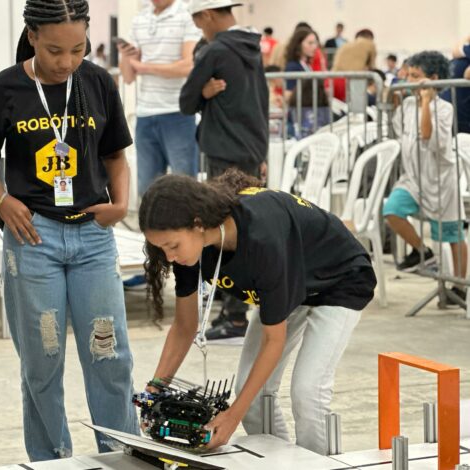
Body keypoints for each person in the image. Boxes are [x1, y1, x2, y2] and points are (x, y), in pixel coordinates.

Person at [0, 0, 138, 461]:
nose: (67, 63)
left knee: (109, 356)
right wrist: (3, 200)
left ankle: (122, 455)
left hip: (93, 238)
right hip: (32, 239)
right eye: (54, 51)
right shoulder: (5, 88)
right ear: (31, 36)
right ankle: (52, 460)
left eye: (78, 49)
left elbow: (116, 156)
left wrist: (120, 204)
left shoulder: (97, 82)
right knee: (42, 362)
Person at [139, 171, 376, 454]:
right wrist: (155, 390)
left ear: (197, 223)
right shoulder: (190, 251)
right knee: (251, 398)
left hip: (340, 279)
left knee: (307, 392)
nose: (169, 257)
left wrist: (231, 418)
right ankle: (280, 462)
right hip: (289, 283)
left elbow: (273, 341)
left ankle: (317, 464)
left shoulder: (261, 237)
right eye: (161, 249)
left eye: (172, 246)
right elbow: (184, 326)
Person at [180, 0, 269, 340]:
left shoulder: (215, 51)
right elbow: (260, 102)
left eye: (197, 21)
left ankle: (234, 317)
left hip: (222, 153)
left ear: (208, 15)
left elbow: (186, 102)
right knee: (245, 228)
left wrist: (202, 93)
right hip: (250, 150)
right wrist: (261, 152)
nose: (198, 28)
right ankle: (237, 308)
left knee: (224, 230)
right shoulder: (253, 47)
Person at [118, 0, 201, 288]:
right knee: (148, 195)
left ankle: (196, 271)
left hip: (178, 113)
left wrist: (143, 65)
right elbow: (128, 76)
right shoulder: (140, 19)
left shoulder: (185, 15)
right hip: (145, 114)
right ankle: (152, 268)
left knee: (186, 194)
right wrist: (127, 58)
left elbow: (187, 66)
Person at [383, 50, 467, 302]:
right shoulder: (408, 105)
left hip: (441, 180)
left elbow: (427, 135)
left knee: (452, 234)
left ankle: (459, 287)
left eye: (415, 76)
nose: (409, 81)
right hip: (414, 178)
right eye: (407, 75)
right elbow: (398, 128)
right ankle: (423, 251)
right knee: (392, 209)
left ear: (433, 78)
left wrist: (427, 103)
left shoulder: (444, 108)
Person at [330, 29, 376, 102]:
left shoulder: (344, 45)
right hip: (353, 82)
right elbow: (372, 66)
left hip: (334, 81)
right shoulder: (370, 44)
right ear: (370, 38)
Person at [283, 26, 318, 103]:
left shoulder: (306, 65)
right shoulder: (292, 66)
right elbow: (288, 94)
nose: (314, 47)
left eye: (315, 43)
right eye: (310, 43)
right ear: (298, 44)